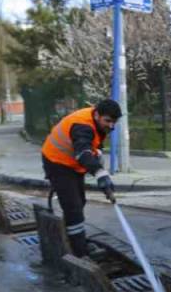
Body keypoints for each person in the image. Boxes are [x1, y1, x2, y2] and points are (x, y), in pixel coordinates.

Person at [41, 100, 123, 259]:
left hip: (72, 164)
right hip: (56, 162)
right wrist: (100, 173)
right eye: (108, 121)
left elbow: (91, 145)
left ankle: (71, 237)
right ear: (97, 115)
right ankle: (79, 252)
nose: (111, 126)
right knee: (73, 207)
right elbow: (82, 152)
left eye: (114, 122)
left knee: (79, 201)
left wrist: (97, 155)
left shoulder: (97, 120)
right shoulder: (82, 126)